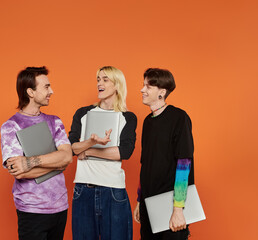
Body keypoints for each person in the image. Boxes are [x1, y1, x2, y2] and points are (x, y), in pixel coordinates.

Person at [0, 66, 72, 240]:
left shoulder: (55, 121)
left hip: (60, 207)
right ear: (30, 92)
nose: (51, 91)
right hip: (32, 210)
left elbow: (67, 156)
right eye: (46, 87)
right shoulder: (10, 127)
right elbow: (19, 172)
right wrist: (57, 165)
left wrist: (30, 161)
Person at [68, 66, 137, 240]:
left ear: (117, 86)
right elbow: (72, 148)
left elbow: (124, 152)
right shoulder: (83, 113)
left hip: (113, 191)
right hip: (83, 190)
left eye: (105, 80)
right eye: (98, 79)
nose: (100, 83)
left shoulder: (127, 117)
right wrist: (86, 147)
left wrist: (88, 150)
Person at [133, 68, 194, 240]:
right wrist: (139, 200)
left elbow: (184, 163)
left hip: (170, 207)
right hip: (147, 205)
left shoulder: (179, 118)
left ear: (162, 92)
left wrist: (178, 209)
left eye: (148, 86)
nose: (142, 90)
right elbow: (145, 164)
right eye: (143, 85)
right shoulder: (147, 121)